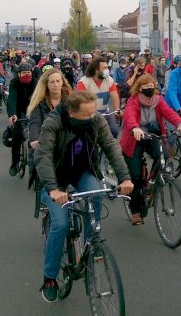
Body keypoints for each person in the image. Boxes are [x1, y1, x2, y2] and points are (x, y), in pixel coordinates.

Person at [34, 91, 134, 302]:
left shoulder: (96, 120)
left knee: (95, 194)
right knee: (60, 224)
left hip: (82, 170)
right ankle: (50, 277)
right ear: (71, 113)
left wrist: (125, 178)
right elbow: (43, 156)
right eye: (87, 115)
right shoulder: (53, 123)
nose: (93, 117)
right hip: (55, 176)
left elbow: (111, 147)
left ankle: (92, 243)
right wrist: (53, 188)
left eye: (94, 113)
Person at [119, 74, 181, 225]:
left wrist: (180, 124)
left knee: (162, 157)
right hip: (134, 137)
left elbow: (169, 113)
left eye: (152, 87)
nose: (150, 90)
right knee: (135, 176)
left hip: (152, 135)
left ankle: (152, 181)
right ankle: (136, 210)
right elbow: (129, 116)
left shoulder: (158, 100)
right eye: (146, 88)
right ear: (140, 88)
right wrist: (135, 128)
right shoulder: (134, 100)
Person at [27, 68, 73, 153]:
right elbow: (35, 123)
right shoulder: (39, 102)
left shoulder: (71, 100)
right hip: (45, 140)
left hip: (66, 140)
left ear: (63, 82)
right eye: (52, 82)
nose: (55, 85)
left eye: (58, 81)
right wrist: (35, 139)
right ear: (46, 84)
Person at [75, 57, 121, 138]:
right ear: (96, 70)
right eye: (104, 68)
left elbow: (114, 96)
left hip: (105, 112)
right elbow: (80, 101)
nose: (107, 70)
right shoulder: (84, 82)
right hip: (89, 114)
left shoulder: (109, 80)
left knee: (114, 131)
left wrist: (117, 109)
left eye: (107, 67)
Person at [7, 63, 38, 176]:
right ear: (19, 74)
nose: (27, 74)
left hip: (33, 109)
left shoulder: (35, 82)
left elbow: (39, 98)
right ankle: (14, 163)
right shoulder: (14, 82)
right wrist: (12, 114)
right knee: (17, 135)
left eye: (29, 72)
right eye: (24, 73)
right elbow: (12, 99)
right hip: (18, 109)